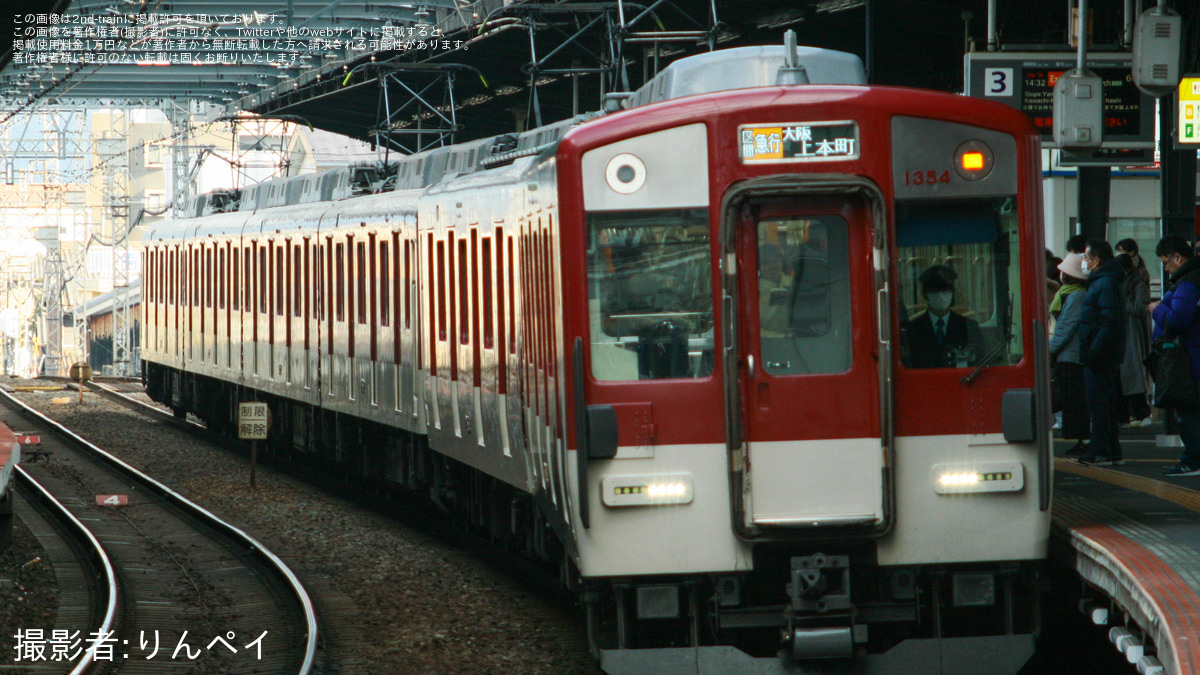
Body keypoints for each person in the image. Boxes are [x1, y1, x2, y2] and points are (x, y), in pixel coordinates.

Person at [1150, 235, 1200, 476]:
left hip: (1189, 358)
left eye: (1166, 262)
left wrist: (1157, 309)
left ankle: (1192, 460)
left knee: (1190, 413)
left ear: (1177, 258)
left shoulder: (1188, 282)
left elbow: (1179, 319)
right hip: (1192, 355)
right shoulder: (1189, 279)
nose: (1166, 267)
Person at [1077, 239, 1128, 466]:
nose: (1084, 263)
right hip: (1106, 352)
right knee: (1105, 403)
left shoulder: (1104, 283)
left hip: (1100, 354)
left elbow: (1109, 321)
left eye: (1086, 259)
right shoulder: (1106, 281)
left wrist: (1093, 350)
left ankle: (1100, 451)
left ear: (1096, 261)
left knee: (1098, 404)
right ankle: (1110, 450)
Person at [902, 265, 984, 368]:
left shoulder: (969, 326)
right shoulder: (913, 329)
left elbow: (978, 359)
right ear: (925, 294)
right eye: (935, 291)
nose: (940, 296)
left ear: (952, 293)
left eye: (945, 290)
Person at [1049, 252, 1090, 455]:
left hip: (1071, 356)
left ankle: (1082, 439)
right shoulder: (1071, 293)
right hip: (1070, 354)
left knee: (1074, 401)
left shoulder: (1076, 296)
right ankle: (1081, 439)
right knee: (1073, 401)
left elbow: (1065, 327)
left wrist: (1050, 349)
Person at [1116, 253, 1152, 425]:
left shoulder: (1138, 285)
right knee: (1124, 376)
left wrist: (1121, 301)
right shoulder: (1119, 285)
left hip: (1132, 333)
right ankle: (1127, 415)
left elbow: (1140, 309)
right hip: (1124, 333)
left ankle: (1142, 412)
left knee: (1133, 374)